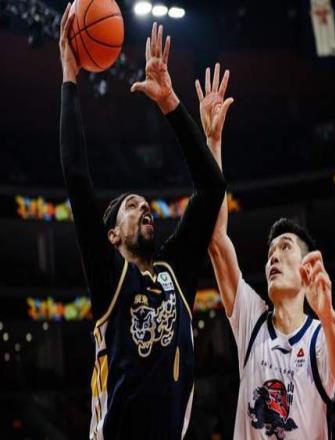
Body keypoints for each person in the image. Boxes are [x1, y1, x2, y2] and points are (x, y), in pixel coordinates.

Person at [58, 4, 226, 438]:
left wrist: (170, 102)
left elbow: (211, 188)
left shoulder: (175, 271)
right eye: (132, 206)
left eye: (144, 203)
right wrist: (69, 78)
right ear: (112, 234)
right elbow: (77, 179)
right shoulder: (110, 278)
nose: (144, 207)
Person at [196, 67, 335, 439]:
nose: (273, 257)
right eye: (270, 252)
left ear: (306, 268)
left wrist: (328, 315)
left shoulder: (320, 334)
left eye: (285, 248)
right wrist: (212, 144)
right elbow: (216, 238)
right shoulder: (252, 319)